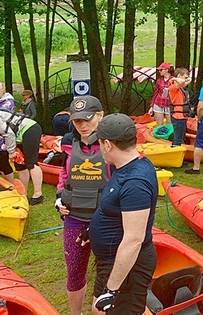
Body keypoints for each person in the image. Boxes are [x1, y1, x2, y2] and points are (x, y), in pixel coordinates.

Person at [89, 114, 158, 315]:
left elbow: (134, 240)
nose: (99, 148)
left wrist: (112, 289)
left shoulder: (135, 182)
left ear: (108, 145)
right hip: (111, 259)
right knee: (98, 310)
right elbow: (116, 210)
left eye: (100, 143)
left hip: (129, 266)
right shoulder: (127, 166)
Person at [55, 96, 109, 315]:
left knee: (106, 271)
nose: (83, 125)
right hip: (74, 216)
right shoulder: (68, 141)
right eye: (78, 121)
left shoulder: (112, 141)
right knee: (75, 271)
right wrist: (59, 197)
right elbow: (64, 173)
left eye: (88, 119)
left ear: (100, 116)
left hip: (106, 218)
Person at [0, 108, 44, 204]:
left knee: (31, 163)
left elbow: (8, 133)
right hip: (19, 135)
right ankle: (23, 193)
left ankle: (38, 194)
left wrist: (11, 152)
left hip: (30, 129)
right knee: (20, 164)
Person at [167, 67, 192, 147]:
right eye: (185, 77)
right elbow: (181, 81)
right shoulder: (173, 87)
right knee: (178, 139)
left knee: (179, 137)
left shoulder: (180, 87)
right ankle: (174, 152)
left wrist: (184, 79)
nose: (186, 79)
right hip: (177, 117)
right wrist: (174, 78)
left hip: (182, 117)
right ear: (179, 76)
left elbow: (189, 80)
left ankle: (176, 151)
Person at [148, 62, 173, 127]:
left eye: (161, 70)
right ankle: (158, 136)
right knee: (159, 125)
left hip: (169, 104)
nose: (159, 71)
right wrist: (151, 106)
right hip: (159, 103)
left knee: (169, 125)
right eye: (159, 70)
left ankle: (169, 136)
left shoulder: (173, 80)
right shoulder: (159, 81)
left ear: (167, 70)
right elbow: (155, 94)